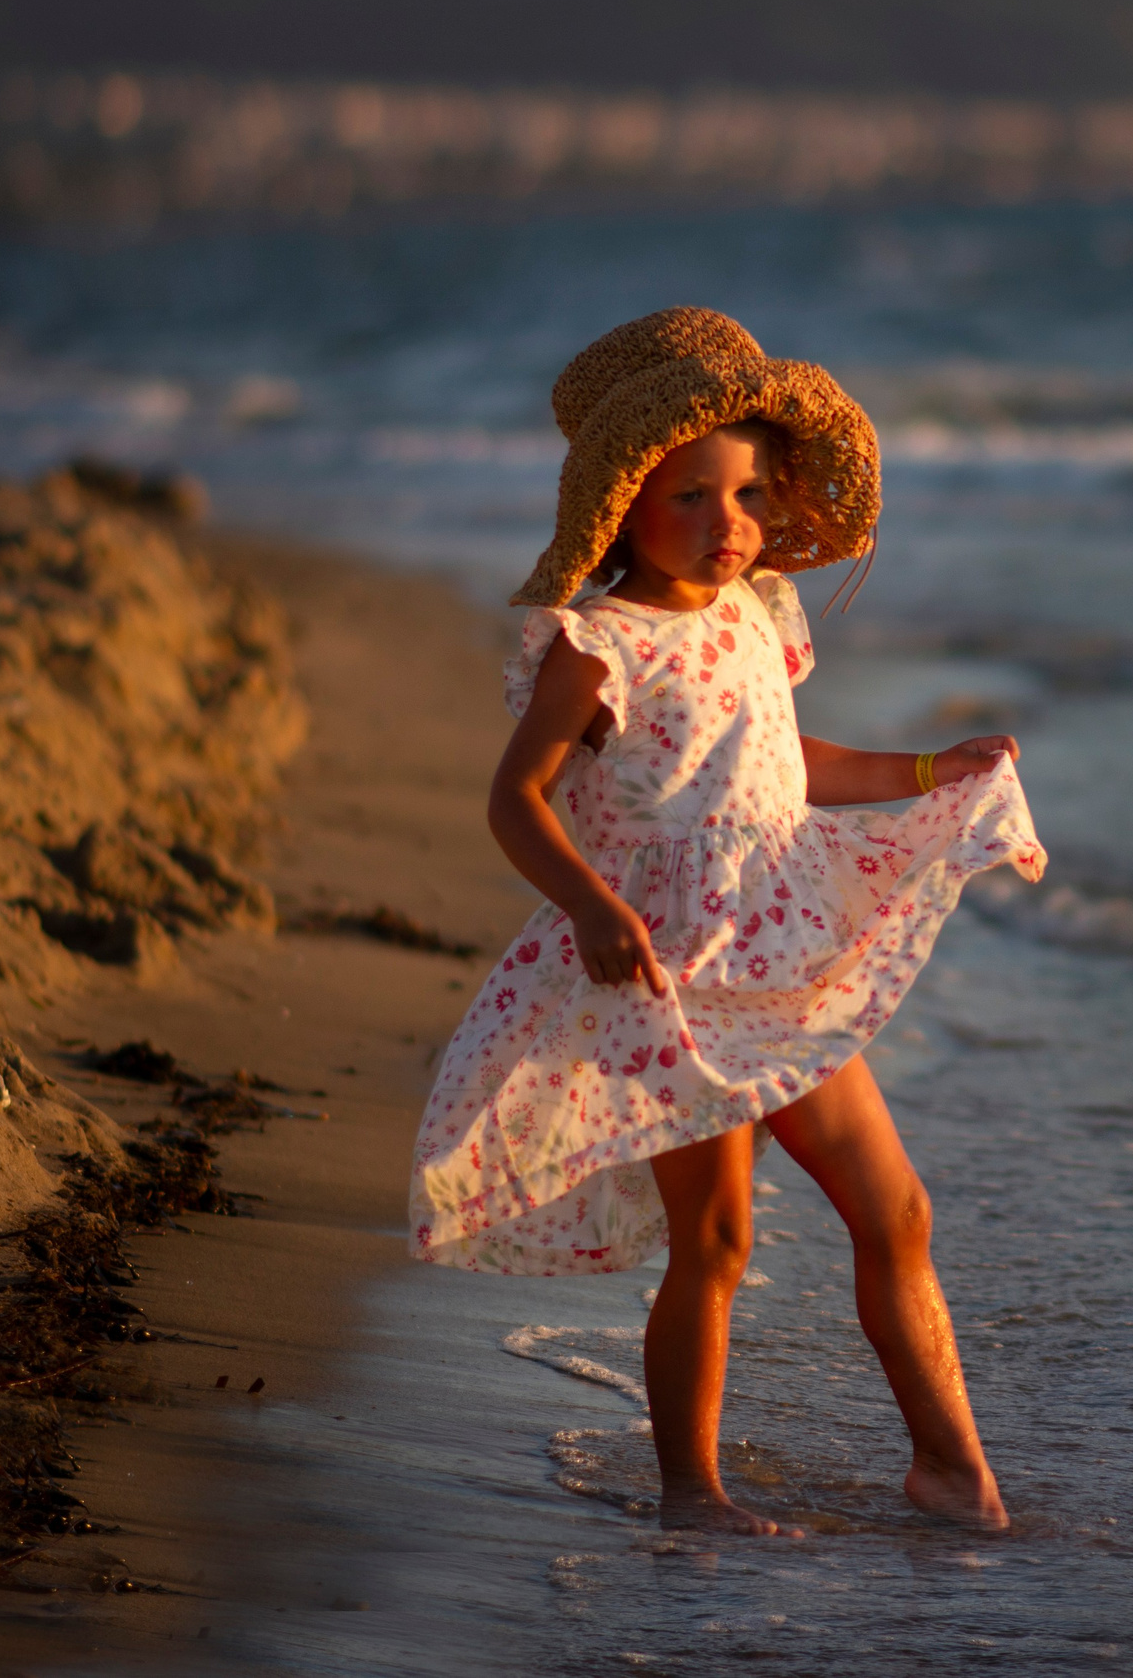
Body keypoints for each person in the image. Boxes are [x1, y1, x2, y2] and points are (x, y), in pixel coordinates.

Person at [408, 308, 1045, 1535]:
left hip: (780, 949)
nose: (728, 525)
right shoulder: (599, 646)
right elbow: (514, 799)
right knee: (718, 1238)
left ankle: (951, 1469)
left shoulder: (757, 614)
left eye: (749, 495)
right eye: (691, 496)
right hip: (668, 973)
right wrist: (590, 907)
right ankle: (691, 1492)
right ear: (623, 505)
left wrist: (927, 771)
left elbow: (780, 762)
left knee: (895, 1208)